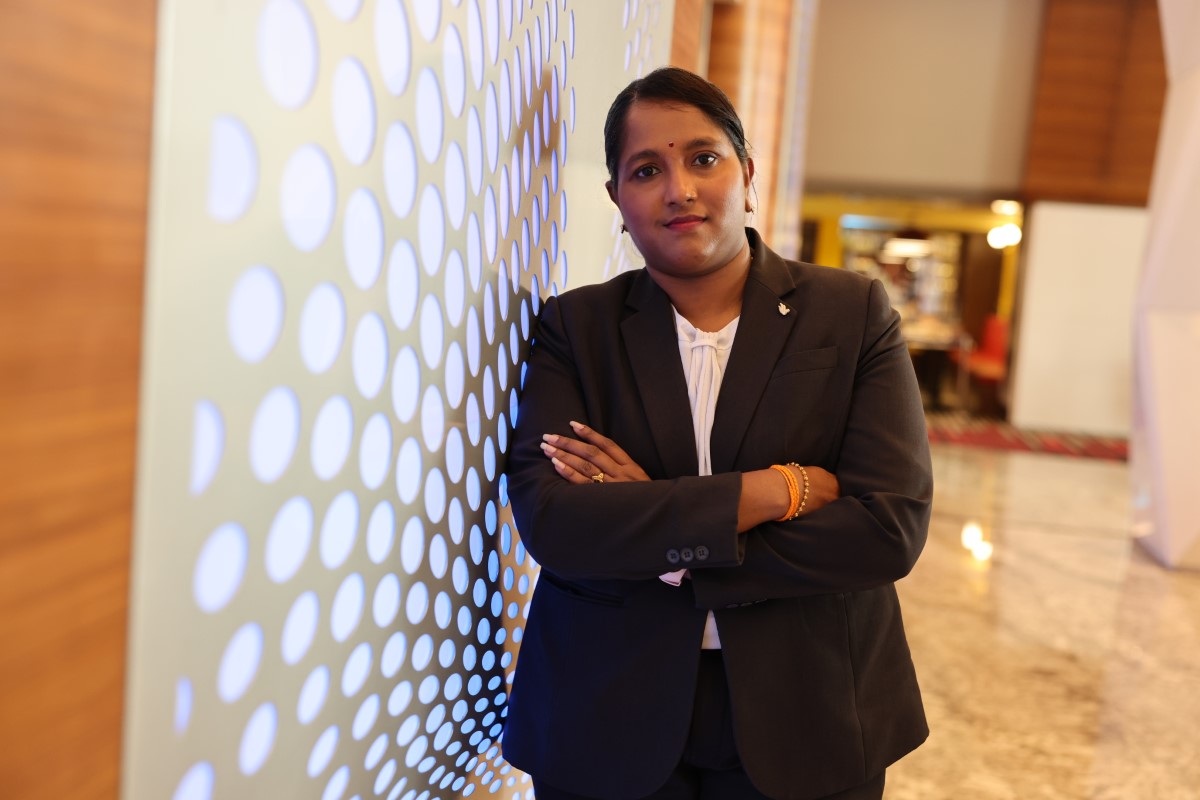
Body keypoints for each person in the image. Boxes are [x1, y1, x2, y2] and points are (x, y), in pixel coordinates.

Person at [501, 67, 932, 800]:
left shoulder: (851, 312)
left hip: (813, 707)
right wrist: (775, 491)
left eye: (703, 158)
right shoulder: (576, 328)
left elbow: (888, 529)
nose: (680, 190)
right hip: (605, 707)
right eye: (646, 170)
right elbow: (556, 522)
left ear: (747, 174)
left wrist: (662, 530)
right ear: (617, 198)